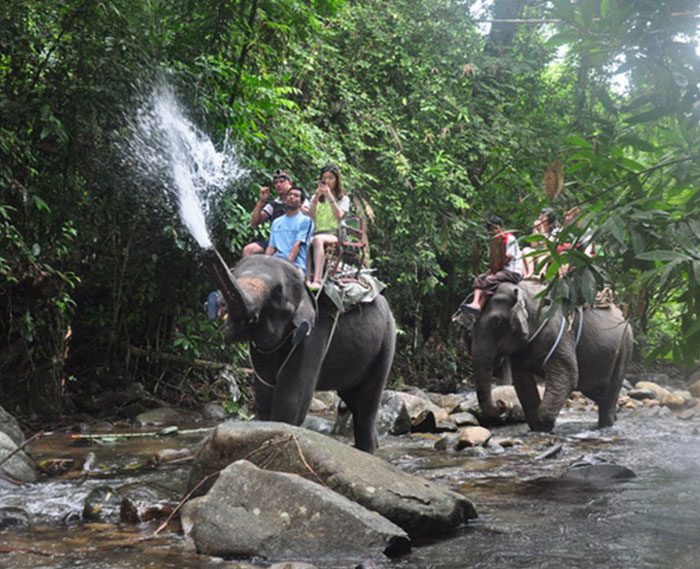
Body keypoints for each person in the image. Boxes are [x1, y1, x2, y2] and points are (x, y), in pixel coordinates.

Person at [461, 215, 523, 315]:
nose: (494, 231)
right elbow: (493, 261)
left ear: (502, 228)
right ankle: (475, 302)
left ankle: (480, 305)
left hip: (512, 270)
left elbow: (507, 259)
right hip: (500, 269)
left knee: (490, 280)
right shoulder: (493, 242)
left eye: (496, 228)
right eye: (491, 229)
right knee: (480, 278)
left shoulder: (509, 238)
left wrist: (499, 251)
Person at [305, 164, 351, 290]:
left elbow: (339, 216)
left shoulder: (344, 199)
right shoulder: (316, 197)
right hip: (317, 232)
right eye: (324, 178)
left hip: (335, 234)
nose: (327, 181)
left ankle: (317, 280)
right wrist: (317, 197)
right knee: (308, 241)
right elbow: (311, 214)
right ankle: (307, 278)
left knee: (318, 240)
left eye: (331, 178)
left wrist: (330, 196)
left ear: (337, 180)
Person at [243, 169, 307, 256]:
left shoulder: (300, 200)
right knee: (249, 250)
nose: (278, 185)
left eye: (282, 182)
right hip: (275, 240)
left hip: (294, 239)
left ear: (290, 184)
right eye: (276, 183)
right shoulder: (274, 204)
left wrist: (296, 206)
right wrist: (261, 202)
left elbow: (309, 218)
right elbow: (254, 223)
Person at [265, 186, 314, 274]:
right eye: (290, 194)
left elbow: (297, 246)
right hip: (276, 262)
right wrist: (264, 264)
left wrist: (286, 265)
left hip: (295, 265)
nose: (292, 197)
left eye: (296, 196)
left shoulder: (305, 221)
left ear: (301, 202)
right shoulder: (276, 222)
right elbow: (271, 247)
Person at [521, 206, 559, 280]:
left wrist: (542, 230)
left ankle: (541, 275)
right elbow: (533, 245)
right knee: (525, 250)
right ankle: (529, 274)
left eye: (543, 216)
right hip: (538, 251)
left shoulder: (555, 230)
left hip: (550, 253)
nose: (540, 218)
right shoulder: (537, 229)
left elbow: (546, 246)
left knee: (543, 256)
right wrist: (534, 230)